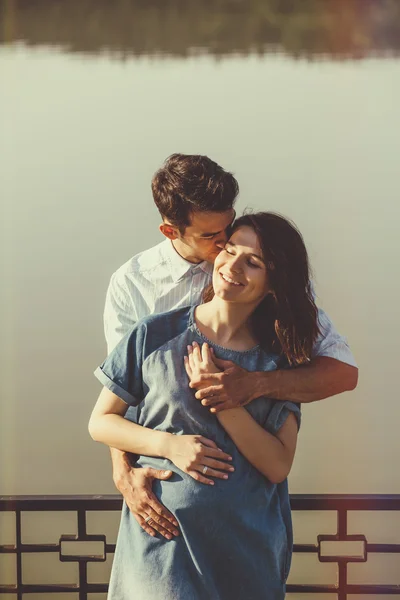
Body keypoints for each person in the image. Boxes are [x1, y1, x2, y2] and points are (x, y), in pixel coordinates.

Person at [90, 212, 353, 599]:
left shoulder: (278, 362)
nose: (233, 266)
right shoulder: (154, 333)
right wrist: (169, 446)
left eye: (254, 263)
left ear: (273, 285)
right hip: (162, 552)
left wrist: (225, 401)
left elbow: (278, 465)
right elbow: (102, 422)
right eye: (229, 251)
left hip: (247, 557)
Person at [103, 154, 358, 540]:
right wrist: (124, 475)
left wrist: (255, 385)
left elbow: (342, 372)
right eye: (211, 237)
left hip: (248, 518)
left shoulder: (260, 270)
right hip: (165, 512)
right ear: (171, 231)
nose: (225, 245)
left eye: (228, 227)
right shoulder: (132, 286)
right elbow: (121, 393)